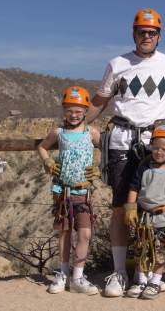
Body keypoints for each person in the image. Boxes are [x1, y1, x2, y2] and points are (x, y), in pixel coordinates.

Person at [85, 9, 165, 297]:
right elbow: (99, 102)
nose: (146, 36)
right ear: (134, 34)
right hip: (121, 141)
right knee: (122, 207)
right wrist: (77, 126)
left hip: (156, 143)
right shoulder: (117, 64)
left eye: (151, 32)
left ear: (159, 36)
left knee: (155, 209)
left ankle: (149, 273)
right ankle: (120, 273)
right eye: (142, 31)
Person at [37, 86, 101, 295]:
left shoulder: (92, 133)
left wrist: (100, 170)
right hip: (63, 190)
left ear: (85, 112)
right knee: (64, 232)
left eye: (78, 111)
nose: (74, 115)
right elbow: (42, 146)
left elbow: (107, 151)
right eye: (69, 111)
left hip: (83, 191)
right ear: (64, 111)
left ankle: (78, 276)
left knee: (84, 232)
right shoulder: (59, 132)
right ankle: (63, 273)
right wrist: (47, 162)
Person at [124, 125, 165, 299]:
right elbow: (134, 188)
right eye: (156, 147)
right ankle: (141, 280)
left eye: (164, 149)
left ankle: (155, 282)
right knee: (140, 249)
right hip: (143, 218)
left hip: (162, 219)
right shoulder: (143, 169)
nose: (159, 152)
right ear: (151, 146)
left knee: (160, 252)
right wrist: (130, 207)